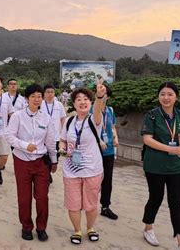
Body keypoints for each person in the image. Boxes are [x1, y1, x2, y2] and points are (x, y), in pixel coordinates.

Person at [141, 82, 180, 250]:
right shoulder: (151, 116)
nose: (166, 97)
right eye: (162, 94)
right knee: (155, 198)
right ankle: (148, 228)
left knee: (176, 203)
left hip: (176, 167)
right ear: (158, 97)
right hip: (155, 166)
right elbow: (147, 139)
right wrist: (170, 148)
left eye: (170, 94)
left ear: (176, 97)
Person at [5, 84, 57, 242]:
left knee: (42, 196)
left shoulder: (46, 118)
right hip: (22, 160)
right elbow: (9, 136)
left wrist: (54, 161)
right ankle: (26, 227)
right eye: (33, 96)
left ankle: (41, 227)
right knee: (24, 197)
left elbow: (50, 141)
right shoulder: (17, 116)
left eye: (39, 96)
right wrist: (25, 145)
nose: (37, 99)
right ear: (26, 99)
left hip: (41, 161)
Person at [58, 81, 106, 245]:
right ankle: (77, 231)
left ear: (90, 102)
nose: (82, 101)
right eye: (78, 99)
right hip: (71, 171)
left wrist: (100, 96)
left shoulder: (95, 120)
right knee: (73, 204)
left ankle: (90, 228)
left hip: (92, 170)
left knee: (91, 204)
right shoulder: (69, 122)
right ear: (74, 103)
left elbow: (99, 108)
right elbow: (62, 140)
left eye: (86, 98)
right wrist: (63, 150)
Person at [98, 85, 120, 220]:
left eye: (104, 93)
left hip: (109, 150)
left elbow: (112, 127)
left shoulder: (110, 110)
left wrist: (116, 137)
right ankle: (87, 205)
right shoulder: (91, 110)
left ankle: (105, 207)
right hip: (95, 150)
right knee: (92, 179)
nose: (101, 95)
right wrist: (99, 140)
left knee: (107, 180)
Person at [40, 84, 66, 183]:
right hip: (43, 137)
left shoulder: (59, 105)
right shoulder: (40, 104)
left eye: (52, 92)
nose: (50, 94)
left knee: (55, 156)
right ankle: (47, 174)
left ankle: (49, 172)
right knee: (45, 157)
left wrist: (64, 132)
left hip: (57, 137)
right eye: (47, 92)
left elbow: (63, 118)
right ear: (44, 93)